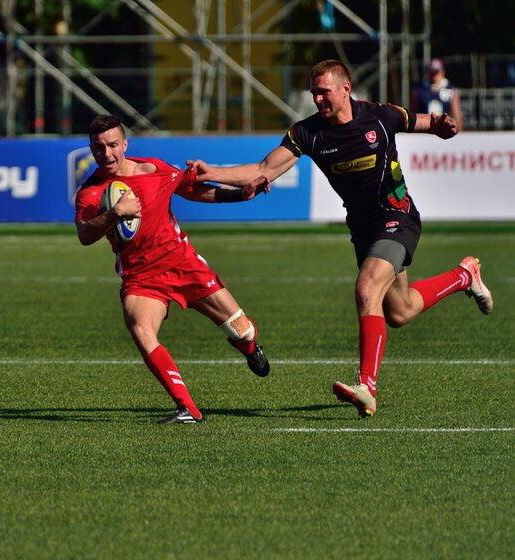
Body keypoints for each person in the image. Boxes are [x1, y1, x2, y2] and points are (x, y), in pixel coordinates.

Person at [189, 59, 493, 417]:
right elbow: (262, 170)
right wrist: (214, 172)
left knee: (366, 289)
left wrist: (442, 127)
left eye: (324, 91)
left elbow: (420, 121)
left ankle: (367, 386)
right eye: (314, 92)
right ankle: (464, 276)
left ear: (345, 89)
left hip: (397, 217)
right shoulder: (307, 133)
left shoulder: (379, 115)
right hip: (363, 229)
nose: (318, 99)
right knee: (400, 311)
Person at [75, 114, 271, 424]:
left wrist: (240, 194)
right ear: (91, 149)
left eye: (113, 145)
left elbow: (192, 189)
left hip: (183, 264)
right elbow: (85, 234)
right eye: (99, 148)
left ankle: (248, 346)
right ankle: (187, 408)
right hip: (141, 278)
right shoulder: (91, 192)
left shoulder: (154, 169)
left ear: (125, 144)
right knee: (141, 330)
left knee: (241, 328)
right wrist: (114, 214)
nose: (107, 154)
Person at [411, 58, 464, 132]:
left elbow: (456, 114)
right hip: (424, 129)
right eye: (431, 72)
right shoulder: (418, 89)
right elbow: (412, 111)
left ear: (442, 72)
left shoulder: (451, 89)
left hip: (444, 129)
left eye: (436, 72)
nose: (433, 75)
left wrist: (458, 130)